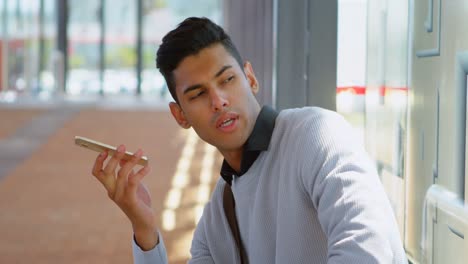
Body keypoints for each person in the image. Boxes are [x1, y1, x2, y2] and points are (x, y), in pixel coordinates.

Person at [91, 17, 407, 263]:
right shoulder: (218, 215)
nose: (218, 101)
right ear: (181, 116)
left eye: (227, 80)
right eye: (198, 94)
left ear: (250, 78)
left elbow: (366, 248)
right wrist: (144, 228)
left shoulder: (316, 134)